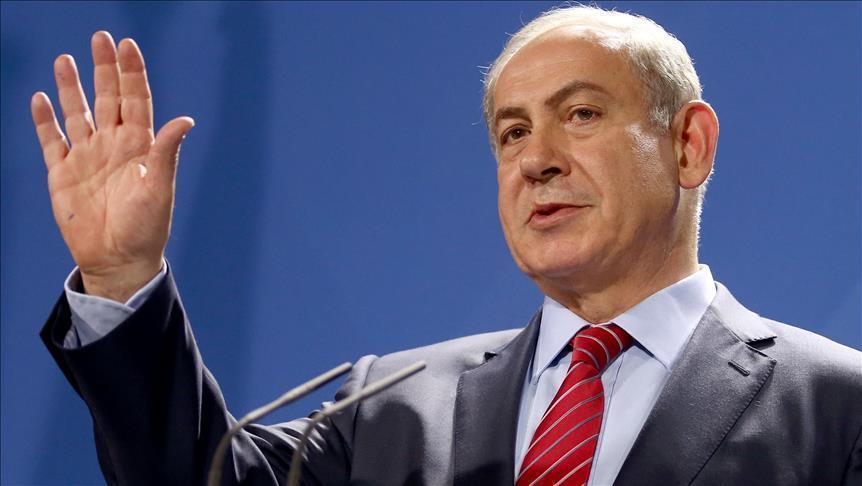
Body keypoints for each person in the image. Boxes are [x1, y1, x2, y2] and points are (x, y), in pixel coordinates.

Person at [33, 5, 861, 485]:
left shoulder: (835, 406)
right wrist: (122, 275)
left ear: (688, 146)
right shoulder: (390, 404)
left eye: (580, 114)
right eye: (511, 132)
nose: (536, 160)